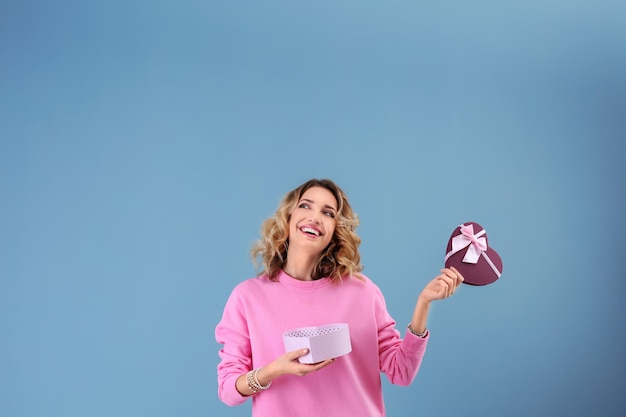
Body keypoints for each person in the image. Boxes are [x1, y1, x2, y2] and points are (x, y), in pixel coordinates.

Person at [215, 178, 464, 417]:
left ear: (335, 230)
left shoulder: (363, 292)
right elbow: (228, 390)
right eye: (305, 205)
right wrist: (272, 371)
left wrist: (423, 303)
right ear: (288, 218)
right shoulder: (248, 297)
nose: (314, 217)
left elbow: (402, 372)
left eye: (328, 212)